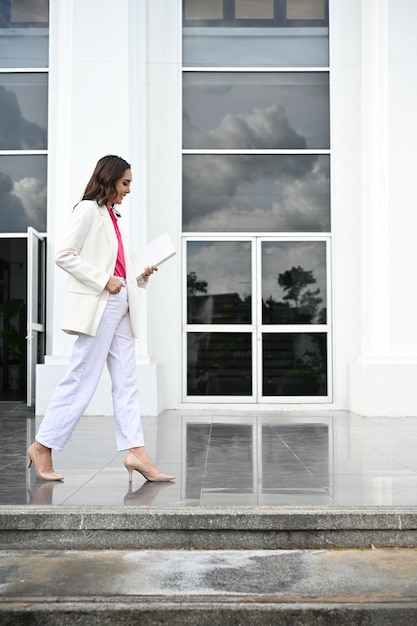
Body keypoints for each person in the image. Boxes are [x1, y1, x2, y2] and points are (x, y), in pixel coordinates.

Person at [27, 155, 174, 484]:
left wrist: (140, 273)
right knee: (82, 378)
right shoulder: (88, 211)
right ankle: (43, 445)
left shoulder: (113, 216)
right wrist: (103, 280)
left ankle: (136, 452)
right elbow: (64, 254)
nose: (129, 190)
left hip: (121, 302)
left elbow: (120, 269)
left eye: (130, 184)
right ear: (109, 181)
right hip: (101, 302)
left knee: (127, 382)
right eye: (126, 183)